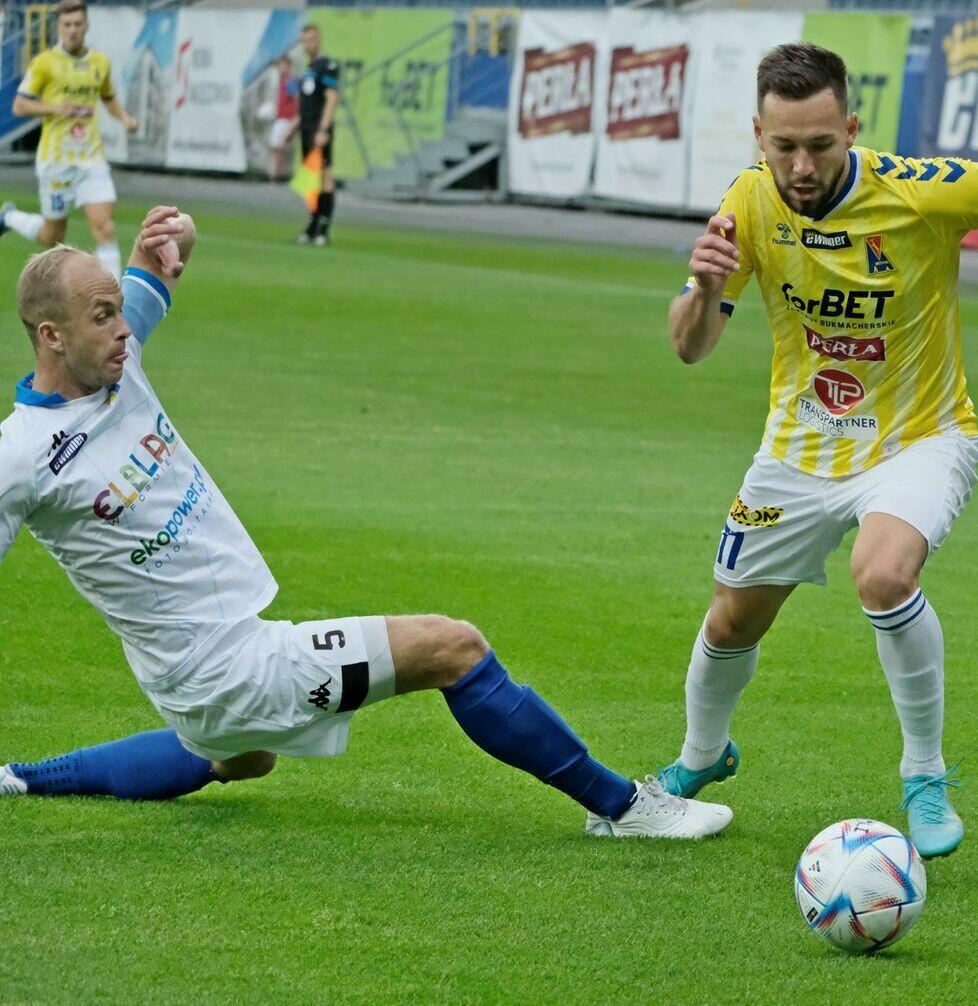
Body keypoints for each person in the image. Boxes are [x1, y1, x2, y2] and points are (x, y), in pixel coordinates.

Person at [0, 206, 732, 841]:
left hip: (194, 680)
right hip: (222, 671)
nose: (123, 329)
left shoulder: (114, 360)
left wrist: (166, 241)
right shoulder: (22, 456)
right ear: (51, 337)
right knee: (452, 647)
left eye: (118, 310)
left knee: (241, 758)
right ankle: (625, 808)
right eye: (102, 317)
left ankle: (22, 778)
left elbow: (150, 275)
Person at [655, 43, 978, 857]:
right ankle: (703, 756)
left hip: (921, 438)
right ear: (759, 137)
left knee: (881, 574)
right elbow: (690, 348)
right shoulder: (747, 201)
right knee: (731, 620)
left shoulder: (918, 190)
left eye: (820, 145)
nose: (801, 166)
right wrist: (702, 288)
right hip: (800, 448)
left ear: (851, 129)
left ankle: (924, 775)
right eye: (783, 146)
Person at [0, 0, 138, 280]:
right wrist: (54, 107)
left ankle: (115, 294)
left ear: (86, 26)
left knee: (105, 228)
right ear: (59, 27)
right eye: (67, 25)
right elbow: (20, 106)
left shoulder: (100, 62)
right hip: (56, 161)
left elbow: (108, 97)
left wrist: (124, 117)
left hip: (91, 158)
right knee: (52, 236)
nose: (73, 30)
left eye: (77, 24)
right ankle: (8, 217)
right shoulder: (45, 64)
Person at [296, 24, 339, 245]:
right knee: (312, 179)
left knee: (325, 176)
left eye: (312, 39)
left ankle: (323, 227)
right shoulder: (308, 69)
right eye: (305, 40)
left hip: (319, 129)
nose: (308, 44)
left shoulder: (327, 65)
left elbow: (332, 99)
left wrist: (323, 129)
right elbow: (306, 103)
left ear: (319, 39)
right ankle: (313, 225)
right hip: (306, 128)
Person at [268, 55, 299, 183]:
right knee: (278, 147)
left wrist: (296, 118)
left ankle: (277, 172)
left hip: (286, 119)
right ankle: (280, 172)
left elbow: (297, 99)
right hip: (281, 117)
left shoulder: (289, 82)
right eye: (279, 65)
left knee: (278, 145)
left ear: (289, 66)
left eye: (283, 65)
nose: (281, 68)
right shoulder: (281, 81)